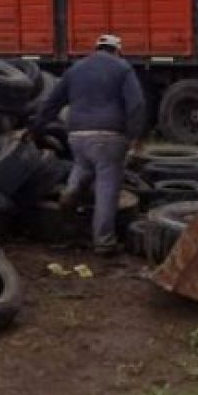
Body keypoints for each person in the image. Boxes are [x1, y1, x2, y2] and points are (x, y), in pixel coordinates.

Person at [31, 33, 144, 254]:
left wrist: (35, 129)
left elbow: (52, 102)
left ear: (96, 48)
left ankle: (71, 192)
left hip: (77, 135)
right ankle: (103, 241)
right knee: (106, 188)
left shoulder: (76, 69)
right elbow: (137, 104)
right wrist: (135, 136)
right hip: (109, 136)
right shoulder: (123, 68)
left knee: (82, 168)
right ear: (117, 50)